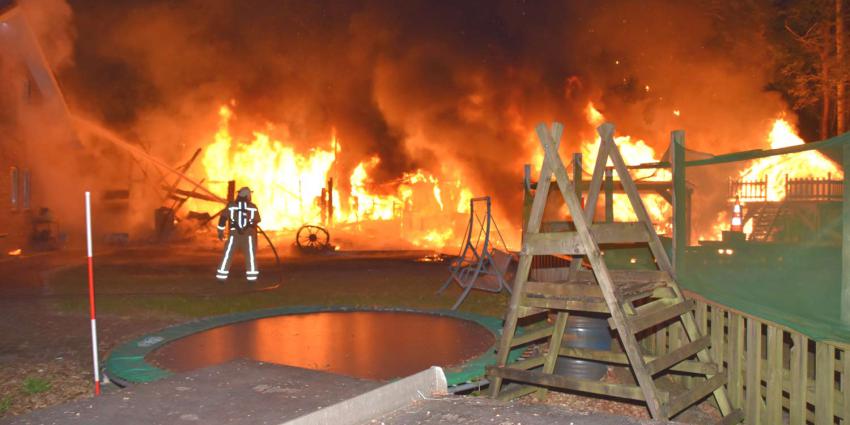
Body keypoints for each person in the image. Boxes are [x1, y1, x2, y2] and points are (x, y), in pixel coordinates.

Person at [216, 187, 261, 282]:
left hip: (234, 235)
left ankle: (221, 276)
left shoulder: (231, 205)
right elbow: (257, 219)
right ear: (247, 195)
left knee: (228, 254)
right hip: (248, 236)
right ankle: (252, 278)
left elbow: (223, 218)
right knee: (250, 256)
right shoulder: (252, 207)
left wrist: (220, 232)